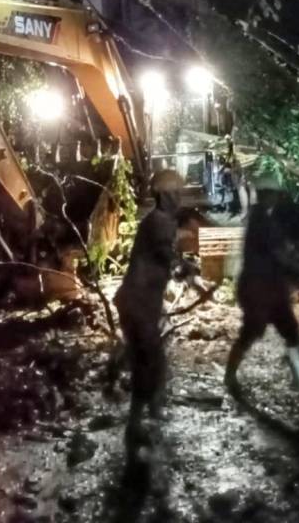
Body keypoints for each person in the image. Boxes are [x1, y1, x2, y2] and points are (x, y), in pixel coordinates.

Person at [225, 191, 299, 394]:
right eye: (275, 194)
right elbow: (278, 253)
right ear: (269, 195)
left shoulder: (264, 217)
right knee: (251, 333)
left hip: (271, 288)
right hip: (259, 290)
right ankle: (230, 377)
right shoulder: (262, 220)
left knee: (290, 332)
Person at [114, 170, 182, 452]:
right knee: (148, 363)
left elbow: (162, 258)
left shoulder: (156, 221)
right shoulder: (161, 222)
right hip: (138, 304)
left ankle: (149, 414)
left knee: (152, 361)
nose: (179, 198)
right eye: (176, 193)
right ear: (164, 195)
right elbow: (166, 255)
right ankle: (136, 426)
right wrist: (186, 269)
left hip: (139, 303)